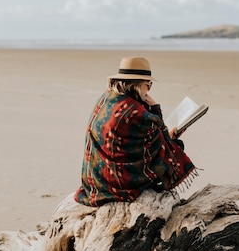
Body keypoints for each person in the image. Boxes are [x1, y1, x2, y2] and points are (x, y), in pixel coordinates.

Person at [74, 56, 196, 207]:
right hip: (116, 184)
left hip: (94, 178)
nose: (149, 89)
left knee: (166, 146)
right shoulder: (137, 113)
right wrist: (155, 107)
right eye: (148, 85)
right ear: (138, 85)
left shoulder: (107, 98)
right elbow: (162, 146)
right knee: (175, 148)